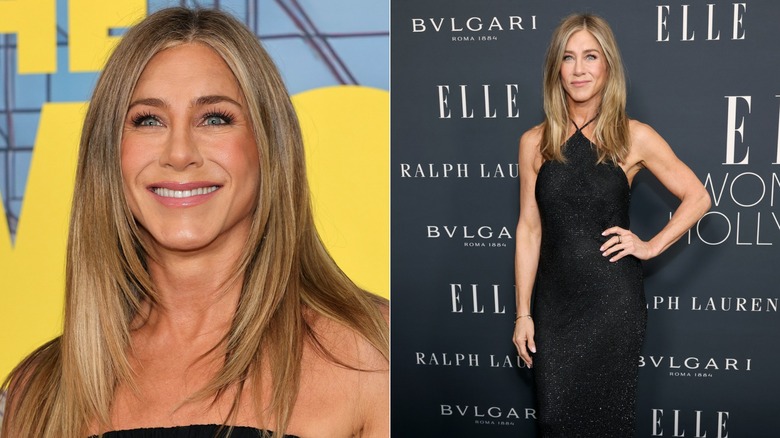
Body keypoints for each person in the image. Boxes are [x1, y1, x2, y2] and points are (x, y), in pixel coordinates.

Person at [1, 7, 388, 438]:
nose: (180, 152)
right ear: (108, 156)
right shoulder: (37, 392)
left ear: (268, 148)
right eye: (148, 120)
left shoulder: (375, 353)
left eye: (215, 118)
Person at [512, 13, 710, 437]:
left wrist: (651, 246)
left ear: (607, 66)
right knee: (553, 420)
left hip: (611, 305)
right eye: (568, 58)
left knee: (606, 424)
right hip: (555, 305)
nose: (579, 69)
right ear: (556, 69)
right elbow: (529, 229)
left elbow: (698, 197)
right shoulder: (535, 141)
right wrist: (523, 314)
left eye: (590, 56)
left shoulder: (633, 136)